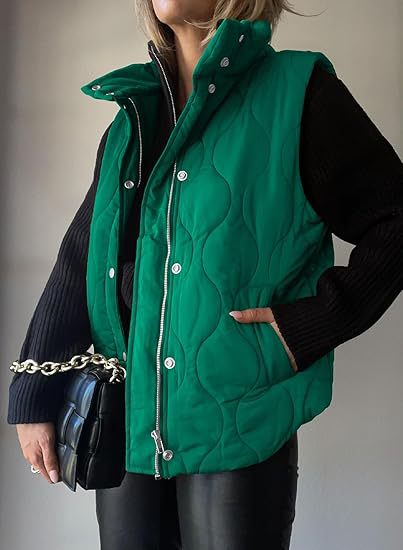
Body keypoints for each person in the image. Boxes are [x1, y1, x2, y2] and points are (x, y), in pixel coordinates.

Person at [7, 1, 403, 549]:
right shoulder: (134, 115)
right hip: (128, 422)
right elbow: (83, 256)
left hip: (239, 418)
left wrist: (307, 326)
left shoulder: (298, 93)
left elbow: (395, 219)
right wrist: (35, 389)